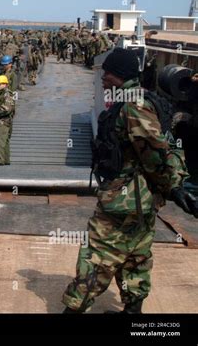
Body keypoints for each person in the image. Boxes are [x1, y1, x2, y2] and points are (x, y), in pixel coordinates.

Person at [62, 48, 198, 314]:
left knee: (96, 257)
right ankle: (133, 312)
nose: (103, 77)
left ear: (121, 75)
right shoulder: (133, 100)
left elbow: (155, 153)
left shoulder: (134, 107)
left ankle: (74, 310)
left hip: (124, 201)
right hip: (141, 201)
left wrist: (176, 188)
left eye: (108, 73)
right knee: (136, 256)